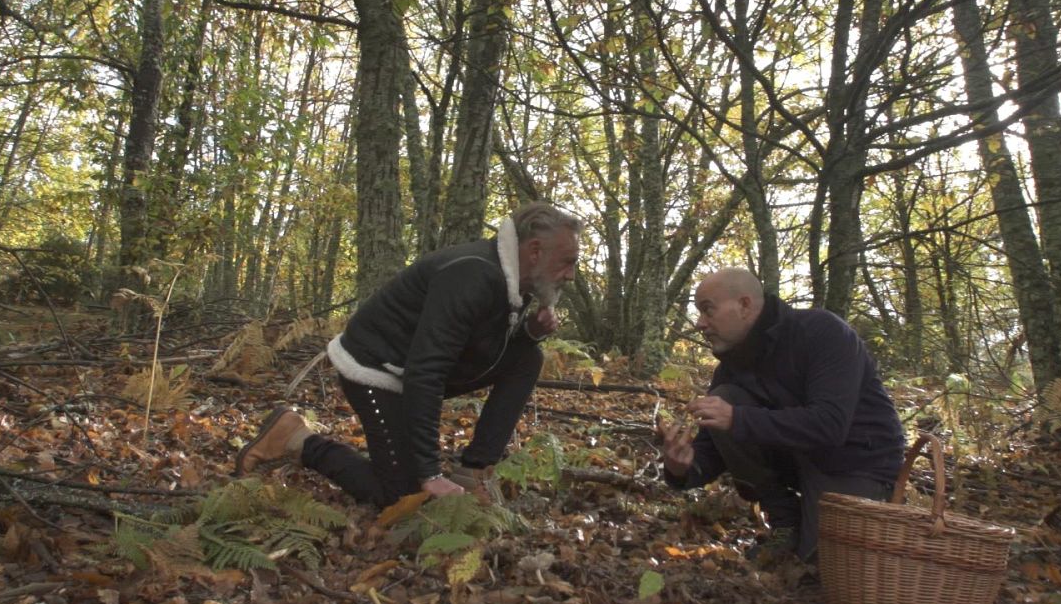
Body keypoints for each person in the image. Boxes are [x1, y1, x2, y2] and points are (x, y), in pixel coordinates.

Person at [236, 202, 582, 505]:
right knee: (400, 496)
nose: (570, 275)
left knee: (527, 358)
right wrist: (428, 471)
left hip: (410, 369)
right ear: (535, 250)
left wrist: (527, 335)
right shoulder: (473, 273)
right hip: (374, 370)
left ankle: (475, 470)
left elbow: (478, 349)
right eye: (567, 262)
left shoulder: (514, 281)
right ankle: (296, 437)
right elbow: (428, 368)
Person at [657, 268, 905, 563]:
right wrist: (680, 466)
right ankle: (786, 521)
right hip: (794, 461)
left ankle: (824, 527)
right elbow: (715, 448)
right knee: (723, 398)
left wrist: (738, 418)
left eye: (707, 310)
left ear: (745, 305)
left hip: (855, 462)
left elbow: (830, 425)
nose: (700, 324)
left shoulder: (822, 332)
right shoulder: (731, 368)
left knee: (825, 570)